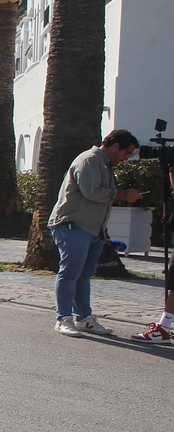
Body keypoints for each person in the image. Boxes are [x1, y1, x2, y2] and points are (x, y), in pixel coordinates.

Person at [49, 129, 144, 337]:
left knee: (83, 275)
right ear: (115, 145)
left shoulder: (105, 164)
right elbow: (92, 192)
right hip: (72, 225)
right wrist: (124, 194)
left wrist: (102, 233)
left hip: (90, 230)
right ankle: (63, 318)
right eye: (126, 153)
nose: (126, 158)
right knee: (70, 273)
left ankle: (83, 318)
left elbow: (100, 203)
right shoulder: (90, 159)